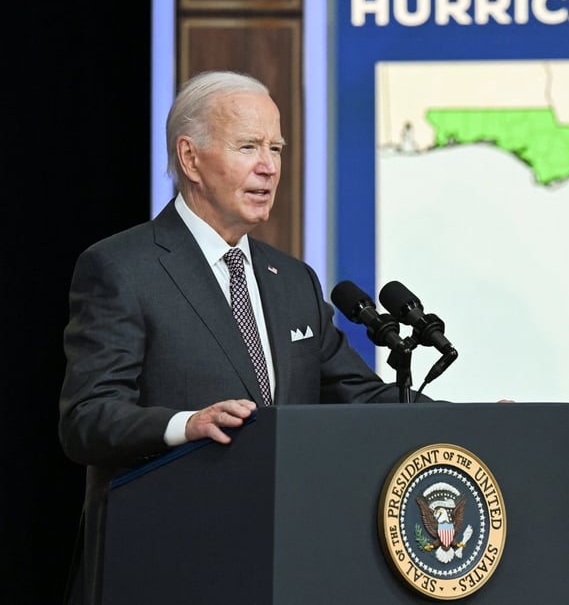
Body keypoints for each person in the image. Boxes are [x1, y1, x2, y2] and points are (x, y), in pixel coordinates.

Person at [58, 70, 419, 604]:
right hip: (164, 564)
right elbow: (86, 418)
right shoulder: (121, 268)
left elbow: (361, 396)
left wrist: (479, 424)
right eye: (248, 146)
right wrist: (188, 425)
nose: (269, 166)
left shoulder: (293, 279)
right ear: (190, 158)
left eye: (276, 147)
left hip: (283, 562)